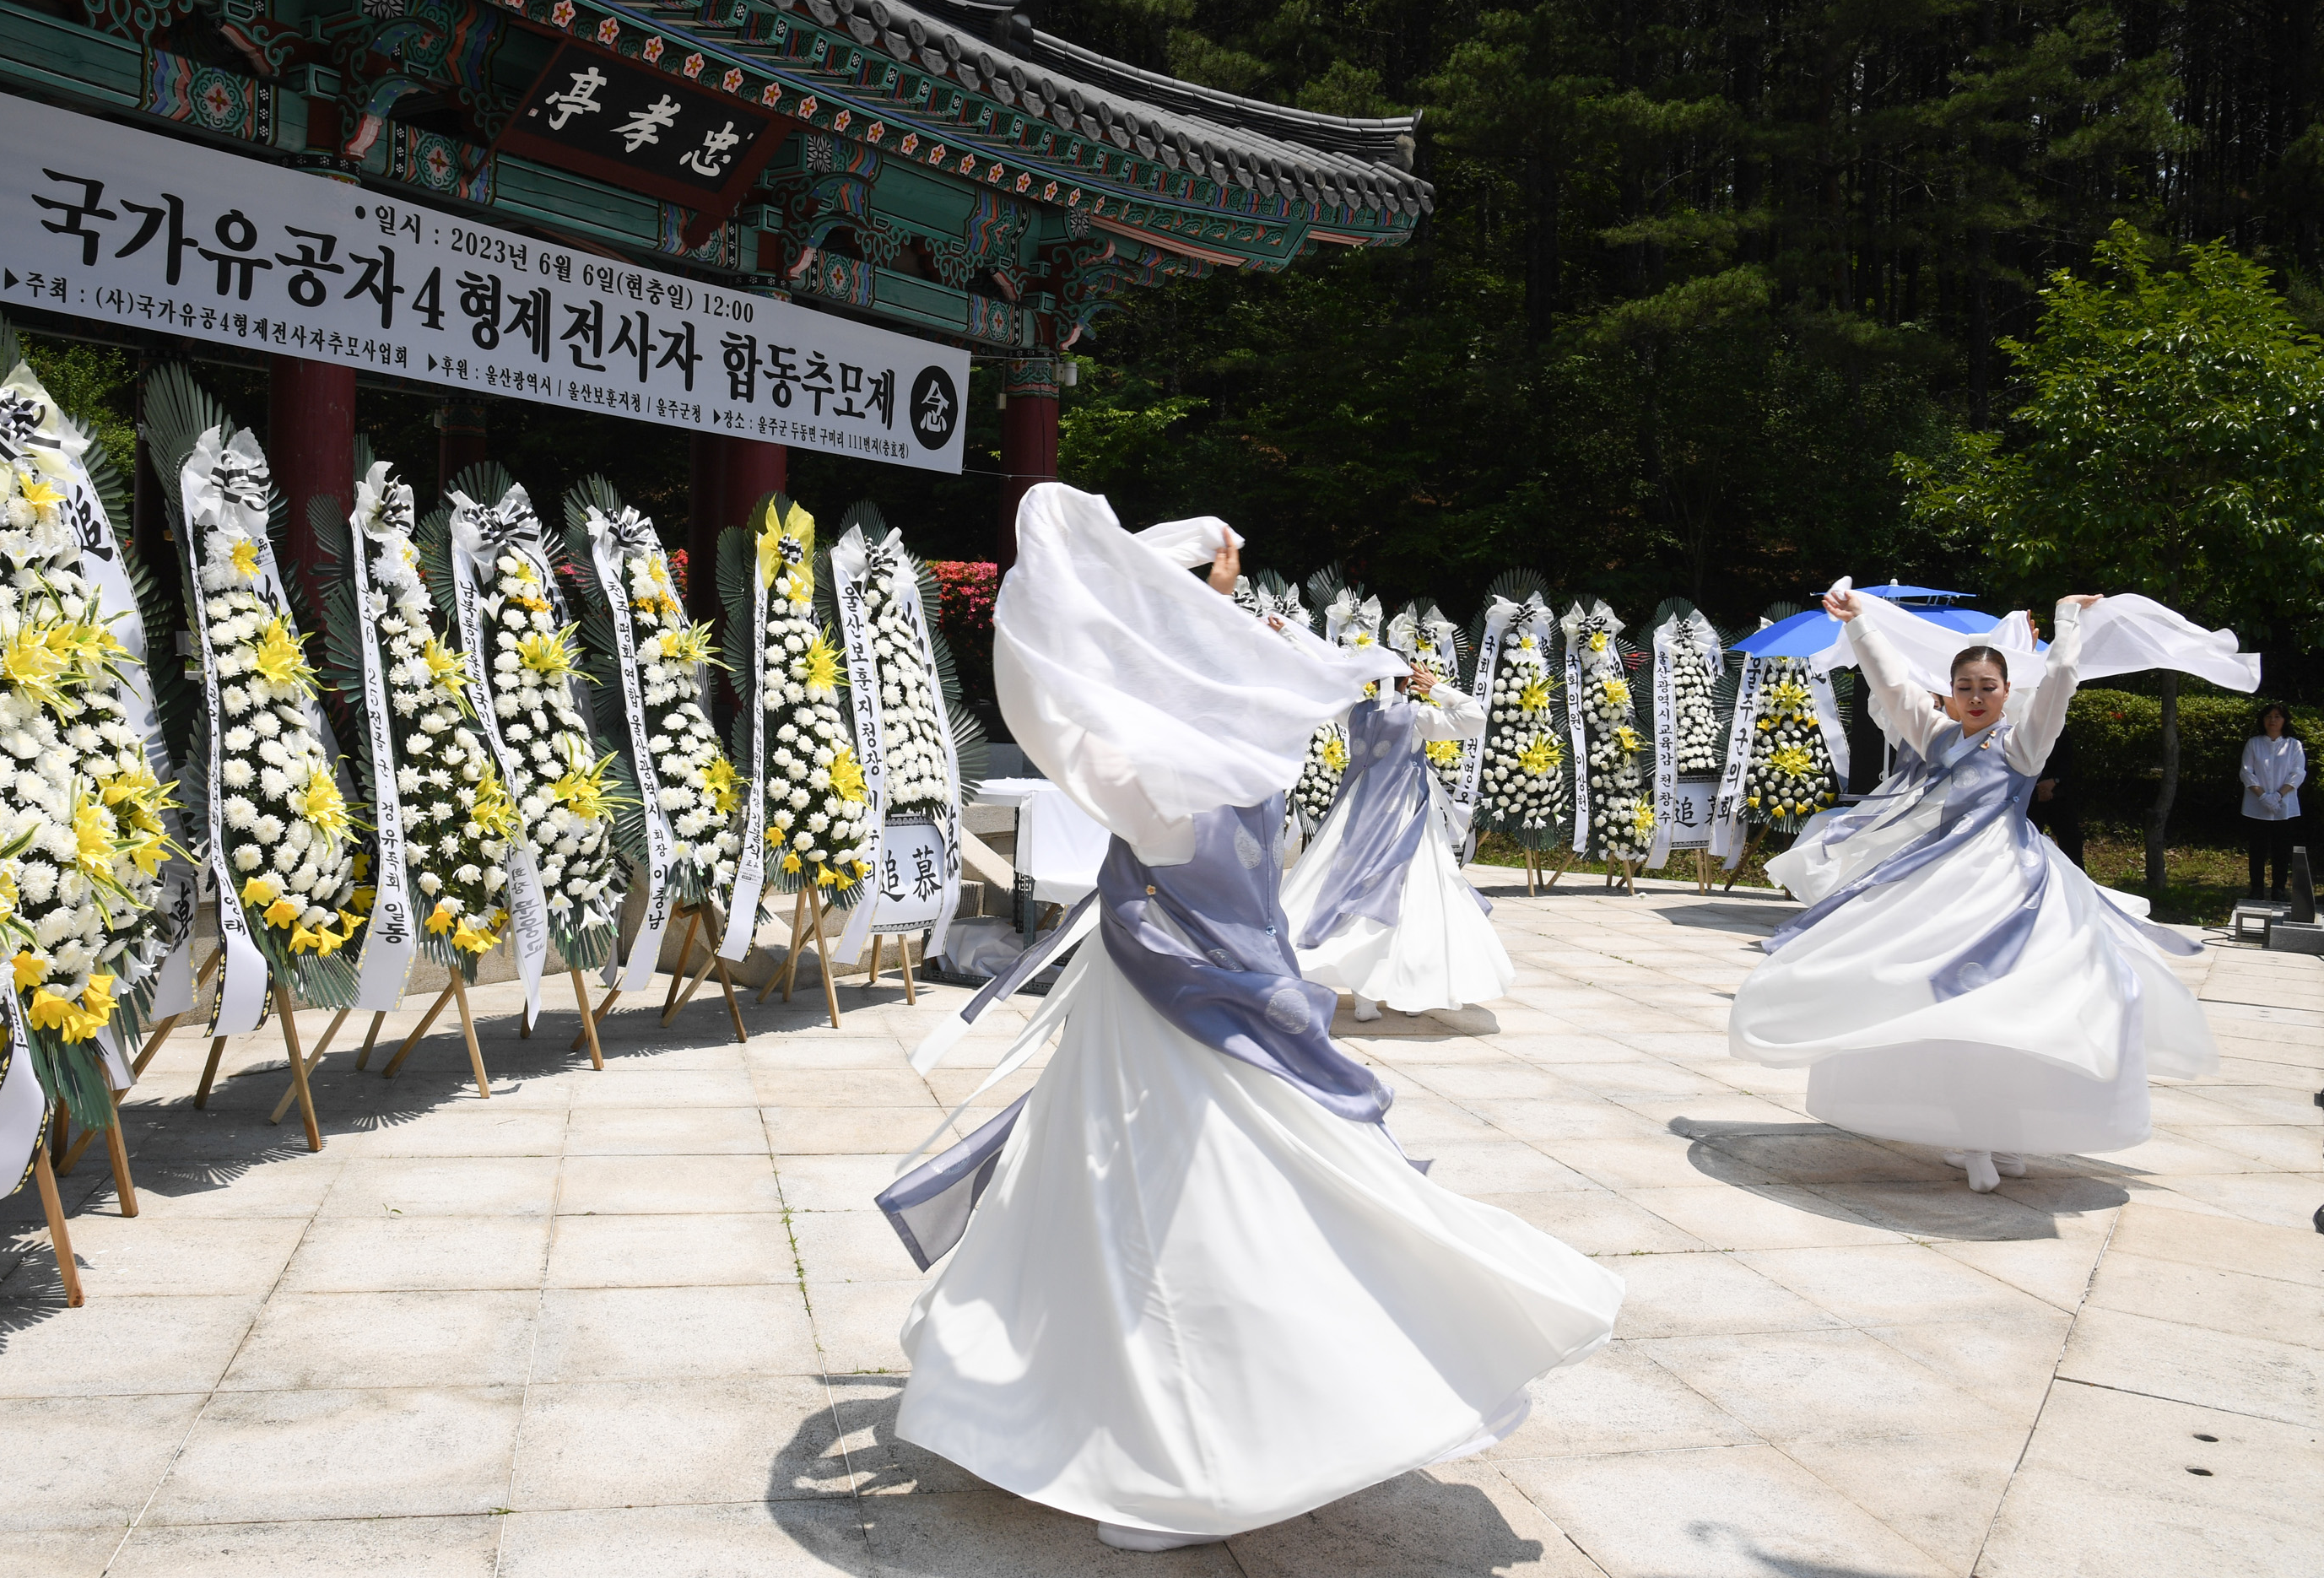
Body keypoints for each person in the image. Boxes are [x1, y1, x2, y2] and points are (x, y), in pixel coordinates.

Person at [885, 486, 1621, 1552]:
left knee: (1163, 1221)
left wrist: (1177, 553)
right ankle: (1227, 1427)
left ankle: (1185, 1458)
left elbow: (1047, 619)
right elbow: (1108, 625)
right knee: (1206, 1210)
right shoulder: (1251, 740)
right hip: (1226, 998)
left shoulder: (1159, 772)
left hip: (1167, 1019)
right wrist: (1198, 566)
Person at [1727, 585, 2218, 1192]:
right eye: (1966, 688)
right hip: (1943, 882)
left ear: (2008, 692)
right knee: (1958, 1009)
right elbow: (1891, 684)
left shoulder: (2021, 744)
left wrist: (2067, 620)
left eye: (1989, 688)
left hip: (2007, 886)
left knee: (1995, 1012)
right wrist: (1859, 625)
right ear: (1952, 692)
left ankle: (1993, 1142)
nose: (1978, 697)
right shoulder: (1936, 735)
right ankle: (1985, 1141)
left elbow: (2062, 678)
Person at [1282, 662, 1514, 1019]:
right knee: (1416, 896)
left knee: (1345, 887)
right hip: (1404, 813)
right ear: (1409, 681)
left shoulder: (1356, 712)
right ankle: (1409, 990)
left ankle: (1366, 999)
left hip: (1354, 812)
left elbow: (1325, 695)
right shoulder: (1416, 715)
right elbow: (1473, 718)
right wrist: (1436, 688)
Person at [2240, 702, 2305, 900]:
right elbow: (2246, 772)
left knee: (2282, 850)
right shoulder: (2254, 743)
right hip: (2256, 806)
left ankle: (2279, 888)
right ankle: (2257, 888)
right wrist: (2262, 795)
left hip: (2284, 806)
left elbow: (2297, 773)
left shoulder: (2294, 745)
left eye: (2277, 716)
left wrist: (2278, 795)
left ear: (2284, 720)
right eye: (2269, 716)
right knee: (2257, 849)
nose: (2273, 720)